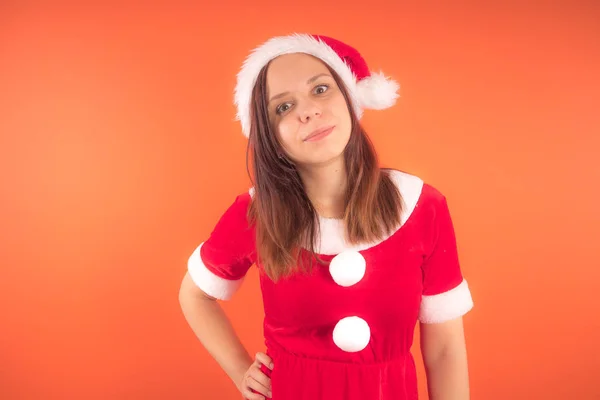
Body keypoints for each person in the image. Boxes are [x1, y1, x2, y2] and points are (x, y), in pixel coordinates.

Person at [178, 33, 474, 400]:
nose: (307, 111)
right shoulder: (256, 214)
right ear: (269, 135)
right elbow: (195, 295)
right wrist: (242, 372)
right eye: (283, 107)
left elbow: (445, 349)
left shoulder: (420, 206)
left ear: (350, 96)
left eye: (320, 89)